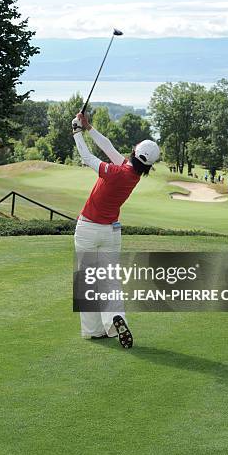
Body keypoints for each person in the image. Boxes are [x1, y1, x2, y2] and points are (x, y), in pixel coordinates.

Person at [72, 112, 160, 349]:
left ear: (134, 150)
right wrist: (89, 128)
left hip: (89, 228)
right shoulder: (132, 174)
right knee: (109, 281)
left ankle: (94, 330)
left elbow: (87, 157)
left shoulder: (118, 171)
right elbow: (108, 147)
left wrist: (76, 133)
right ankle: (114, 319)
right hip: (111, 232)